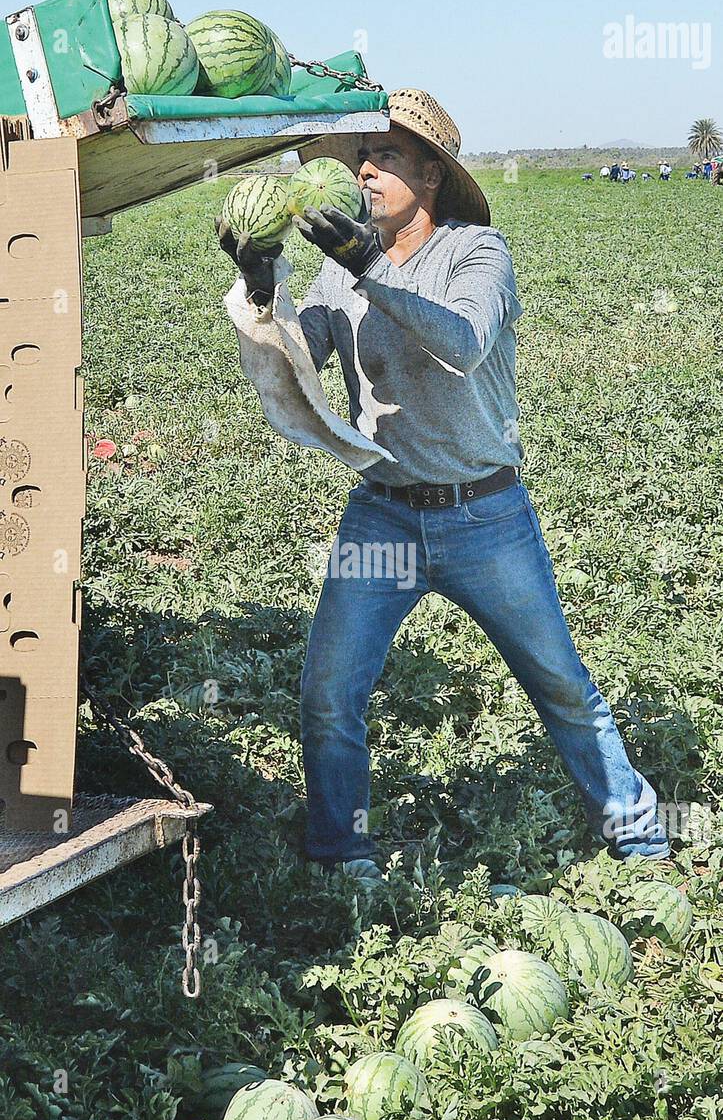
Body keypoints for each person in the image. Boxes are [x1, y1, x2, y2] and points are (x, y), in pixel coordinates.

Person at [218, 87, 670, 877]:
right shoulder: (336, 273)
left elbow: (459, 341)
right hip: (382, 518)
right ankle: (339, 856)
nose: (365, 171)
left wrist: (368, 266)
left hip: (483, 516)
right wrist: (262, 285)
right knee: (328, 693)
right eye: (361, 157)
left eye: (386, 157)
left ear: (430, 177)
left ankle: (641, 842)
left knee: (561, 687)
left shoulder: (476, 251)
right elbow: (303, 360)